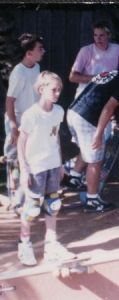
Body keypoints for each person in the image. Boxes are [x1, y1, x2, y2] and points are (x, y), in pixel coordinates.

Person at [67, 57, 119, 213]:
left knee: (88, 150)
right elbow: (108, 108)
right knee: (96, 159)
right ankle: (92, 200)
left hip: (74, 112)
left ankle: (74, 177)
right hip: (86, 117)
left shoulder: (115, 73)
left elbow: (100, 97)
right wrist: (98, 133)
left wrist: (111, 122)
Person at [17, 71, 76, 266]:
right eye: (53, 90)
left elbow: (55, 136)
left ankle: (51, 245)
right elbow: (20, 142)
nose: (57, 93)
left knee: (53, 205)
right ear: (41, 90)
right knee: (32, 208)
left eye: (59, 90)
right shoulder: (31, 115)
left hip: (52, 165)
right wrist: (24, 169)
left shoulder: (59, 111)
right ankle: (24, 244)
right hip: (35, 167)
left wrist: (59, 164)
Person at [64, 20, 119, 190]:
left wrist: (113, 119)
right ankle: (88, 191)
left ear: (108, 35)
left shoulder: (117, 50)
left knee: (92, 144)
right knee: (92, 145)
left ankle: (74, 176)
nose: (98, 39)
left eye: (102, 35)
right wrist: (97, 78)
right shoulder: (86, 51)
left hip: (105, 103)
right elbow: (72, 77)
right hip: (86, 103)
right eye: (95, 35)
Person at [4, 33, 45, 212]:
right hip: (17, 120)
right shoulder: (18, 73)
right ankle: (16, 202)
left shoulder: (37, 67)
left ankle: (29, 197)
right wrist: (13, 126)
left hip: (32, 121)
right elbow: (9, 101)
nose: (43, 51)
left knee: (32, 159)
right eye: (39, 49)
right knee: (14, 161)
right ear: (29, 53)